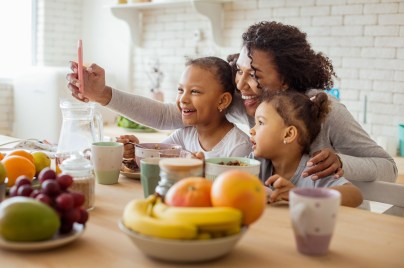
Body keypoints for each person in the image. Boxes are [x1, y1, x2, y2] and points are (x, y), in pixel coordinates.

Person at [66, 21, 397, 183]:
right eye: (239, 71)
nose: (241, 84)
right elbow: (173, 115)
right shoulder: (246, 101)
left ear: (286, 78)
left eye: (254, 74)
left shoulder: (326, 113)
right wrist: (102, 94)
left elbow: (387, 166)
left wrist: (342, 162)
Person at [118, 56, 252, 159]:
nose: (182, 99)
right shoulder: (185, 134)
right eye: (180, 90)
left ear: (222, 101)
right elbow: (155, 157)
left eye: (195, 91)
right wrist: (136, 149)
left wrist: (202, 172)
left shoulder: (240, 147)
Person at [250, 90, 363, 207]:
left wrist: (301, 195)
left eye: (260, 122)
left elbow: (355, 194)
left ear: (288, 134)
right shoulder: (254, 162)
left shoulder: (313, 172)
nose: (251, 130)